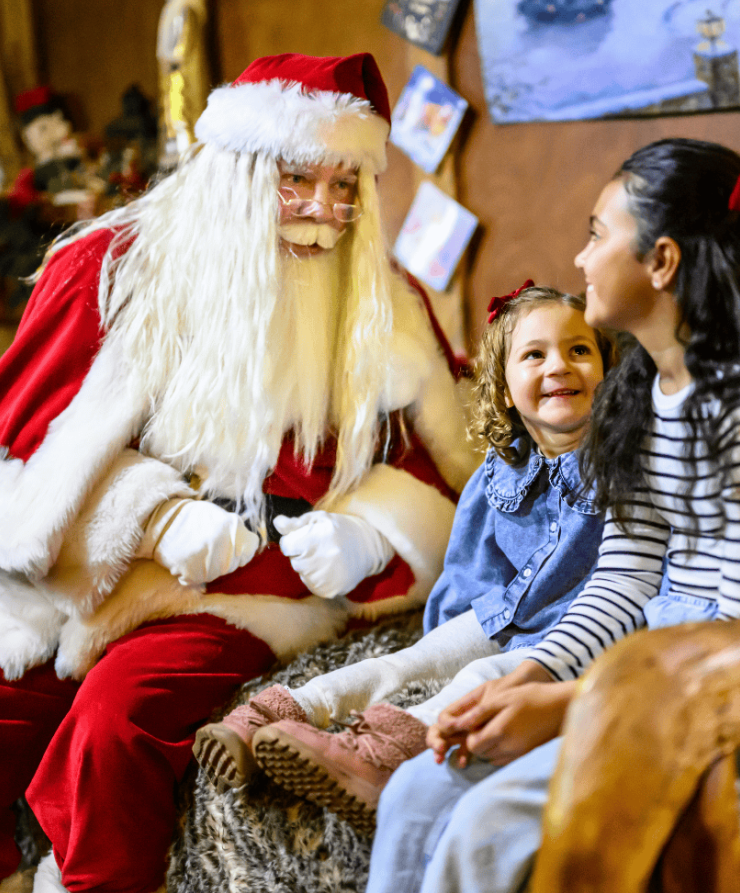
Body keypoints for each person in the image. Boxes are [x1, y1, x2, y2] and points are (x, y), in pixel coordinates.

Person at [338, 137, 740, 893]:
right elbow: (628, 572)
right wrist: (529, 676)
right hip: (658, 680)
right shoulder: (643, 390)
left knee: (484, 828)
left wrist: (573, 708)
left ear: (663, 261)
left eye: (597, 232)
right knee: (423, 786)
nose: (579, 256)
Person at [0, 53, 478, 893]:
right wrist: (151, 516)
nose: (326, 213)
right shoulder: (108, 271)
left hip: (245, 589)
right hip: (77, 574)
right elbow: (11, 465)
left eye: (345, 184)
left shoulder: (386, 313)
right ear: (240, 171)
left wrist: (369, 532)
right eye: (297, 180)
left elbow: (455, 479)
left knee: (118, 723)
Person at [193, 283, 616, 827]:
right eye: (534, 354)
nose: (559, 365)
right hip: (504, 614)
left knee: (480, 675)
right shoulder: (500, 471)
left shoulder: (623, 460)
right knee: (405, 662)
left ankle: (380, 757)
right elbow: (470, 566)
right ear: (506, 390)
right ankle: (280, 716)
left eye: (579, 350)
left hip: (578, 640)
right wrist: (441, 639)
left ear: (608, 374)